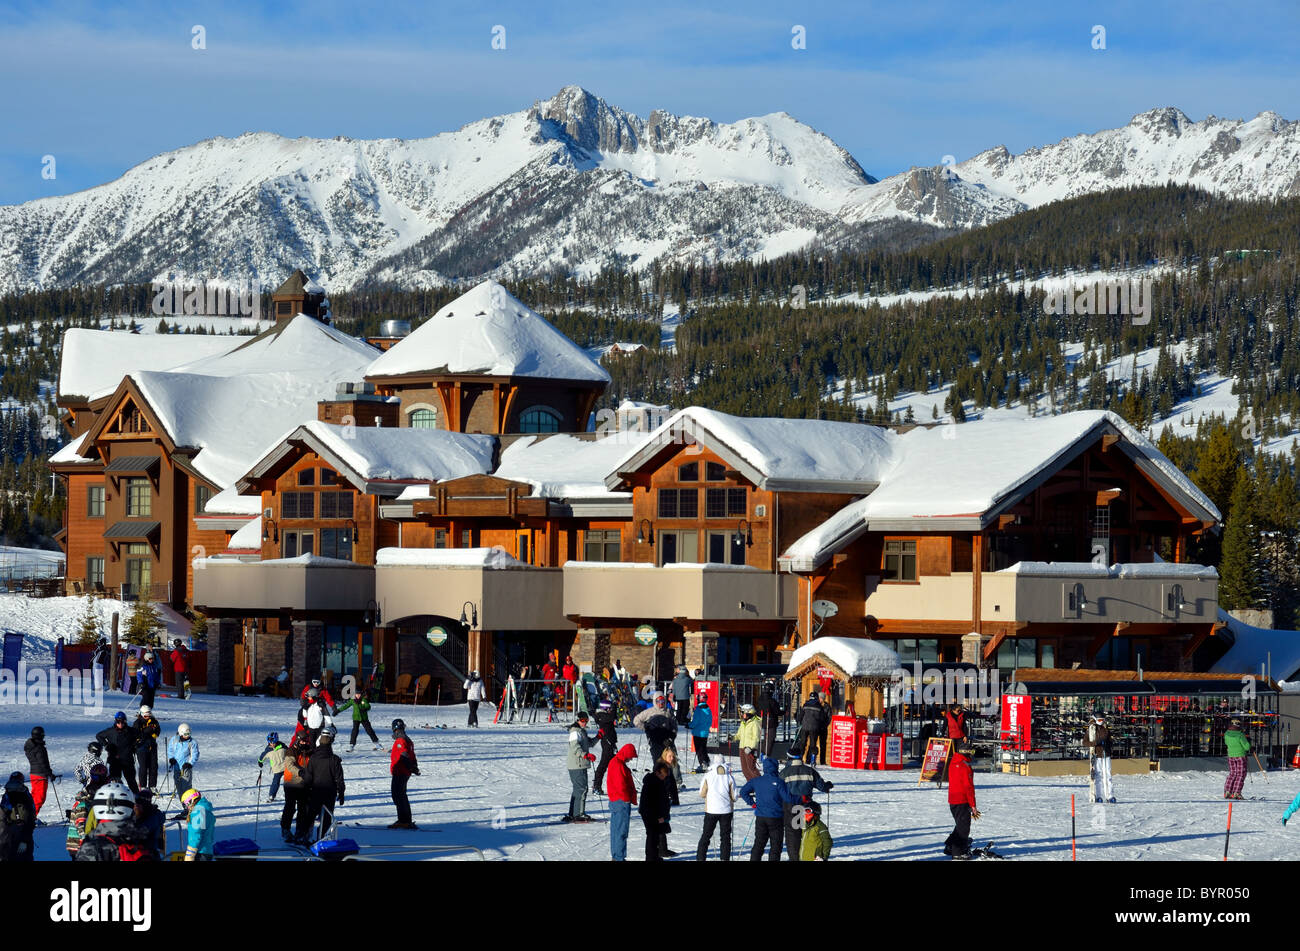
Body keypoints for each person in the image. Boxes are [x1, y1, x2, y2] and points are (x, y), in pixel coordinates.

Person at [738, 756, 796, 862]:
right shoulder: (779, 782)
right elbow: (788, 798)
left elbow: (743, 792)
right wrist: (801, 798)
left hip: (761, 817)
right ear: (776, 767)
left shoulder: (757, 781)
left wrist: (752, 803)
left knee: (759, 844)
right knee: (775, 846)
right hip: (776, 818)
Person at [780, 752, 833, 861]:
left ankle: (794, 858)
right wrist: (828, 785)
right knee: (807, 835)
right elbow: (822, 786)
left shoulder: (784, 772)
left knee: (792, 837)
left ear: (789, 759)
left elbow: (777, 790)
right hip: (806, 809)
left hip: (790, 808)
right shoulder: (810, 771)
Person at [301, 726, 345, 842]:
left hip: (315, 792)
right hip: (328, 794)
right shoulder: (334, 759)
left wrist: (305, 791)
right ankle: (321, 839)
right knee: (326, 818)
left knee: (310, 816)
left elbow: (308, 777)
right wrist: (341, 792)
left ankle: (304, 836)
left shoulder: (314, 758)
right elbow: (339, 778)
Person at [65, 763, 109, 860]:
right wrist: (89, 841)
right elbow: (81, 826)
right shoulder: (83, 804)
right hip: (78, 846)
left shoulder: (89, 799)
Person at [944, 745, 980, 858]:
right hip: (962, 800)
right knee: (963, 827)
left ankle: (950, 845)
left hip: (953, 800)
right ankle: (958, 852)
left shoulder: (954, 762)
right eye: (971, 752)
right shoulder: (965, 767)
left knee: (960, 824)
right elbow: (968, 787)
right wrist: (973, 805)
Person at [696, 762, 737, 861]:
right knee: (726, 837)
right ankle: (724, 858)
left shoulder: (708, 775)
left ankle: (700, 858)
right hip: (726, 811)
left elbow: (701, 793)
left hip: (711, 810)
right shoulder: (729, 777)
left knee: (706, 836)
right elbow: (734, 796)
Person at [563, 711, 599, 822]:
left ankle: (573, 813)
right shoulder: (575, 732)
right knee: (582, 789)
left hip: (579, 764)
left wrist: (598, 737)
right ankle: (578, 814)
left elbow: (589, 744)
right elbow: (575, 748)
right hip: (576, 764)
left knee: (578, 789)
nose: (584, 723)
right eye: (582, 720)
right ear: (578, 720)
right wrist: (586, 755)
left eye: (586, 721)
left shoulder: (581, 731)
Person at [606, 744, 638, 861]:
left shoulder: (615, 762)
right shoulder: (618, 764)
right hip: (621, 802)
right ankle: (619, 857)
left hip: (615, 801)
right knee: (621, 832)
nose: (631, 759)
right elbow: (621, 785)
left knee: (616, 831)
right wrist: (626, 799)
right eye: (631, 757)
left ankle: (616, 856)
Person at [95, 711, 140, 794]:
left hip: (127, 760)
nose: (120, 724)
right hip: (115, 760)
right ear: (115, 721)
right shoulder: (110, 731)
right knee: (115, 781)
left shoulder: (131, 731)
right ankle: (115, 799)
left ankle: (136, 799)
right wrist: (106, 745)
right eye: (118, 722)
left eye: (123, 722)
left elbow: (140, 737)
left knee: (131, 781)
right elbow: (99, 736)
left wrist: (135, 744)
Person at [280, 732, 313, 842]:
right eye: (302, 741)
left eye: (306, 741)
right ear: (298, 740)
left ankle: (300, 830)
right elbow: (289, 765)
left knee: (303, 808)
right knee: (290, 806)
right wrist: (300, 772)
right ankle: (285, 829)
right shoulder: (291, 751)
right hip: (291, 783)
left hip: (304, 783)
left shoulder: (308, 750)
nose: (304, 743)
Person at [638, 761, 674, 861]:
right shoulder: (652, 783)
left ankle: (654, 856)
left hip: (654, 813)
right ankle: (650, 858)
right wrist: (658, 817)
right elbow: (651, 803)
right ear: (657, 773)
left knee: (655, 836)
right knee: (652, 836)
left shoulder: (658, 781)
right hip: (650, 813)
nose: (664, 778)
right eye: (663, 775)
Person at [389, 717, 419, 830]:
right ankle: (404, 819)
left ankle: (404, 820)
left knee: (398, 796)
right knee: (401, 795)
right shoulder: (407, 739)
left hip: (400, 772)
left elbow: (405, 755)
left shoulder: (401, 740)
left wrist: (411, 767)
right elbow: (412, 755)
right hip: (403, 771)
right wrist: (414, 767)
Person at [0, 772, 37, 861]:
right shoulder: (25, 795)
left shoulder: (6, 795)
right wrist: (25, 839)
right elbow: (30, 819)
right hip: (22, 833)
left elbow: (2, 819)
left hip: (7, 835)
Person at [23, 726, 55, 823]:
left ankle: (29, 816)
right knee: (39, 798)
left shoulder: (31, 746)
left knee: (34, 797)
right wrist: (50, 773)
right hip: (40, 774)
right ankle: (31, 818)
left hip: (34, 773)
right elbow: (42, 762)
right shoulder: (39, 748)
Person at [792, 691, 829, 765]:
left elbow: (800, 716)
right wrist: (821, 726)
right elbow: (822, 718)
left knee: (803, 743)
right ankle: (812, 759)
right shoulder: (819, 707)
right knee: (813, 744)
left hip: (804, 727)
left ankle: (800, 758)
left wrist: (799, 720)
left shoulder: (805, 705)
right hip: (814, 728)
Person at [167, 722, 199, 807]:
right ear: (180, 733)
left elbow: (195, 754)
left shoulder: (192, 742)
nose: (187, 736)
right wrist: (171, 759)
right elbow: (170, 750)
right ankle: (185, 807)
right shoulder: (174, 740)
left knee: (186, 788)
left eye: (189, 734)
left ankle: (189, 807)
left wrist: (190, 763)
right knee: (179, 788)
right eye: (185, 734)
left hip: (186, 769)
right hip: (176, 768)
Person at [592, 699, 618, 795]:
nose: (611, 710)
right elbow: (612, 717)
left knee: (617, 765)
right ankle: (596, 786)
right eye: (610, 708)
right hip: (607, 743)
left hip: (611, 743)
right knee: (603, 765)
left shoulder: (604, 715)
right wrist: (615, 706)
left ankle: (619, 785)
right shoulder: (601, 716)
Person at [1088, 714, 1115, 803]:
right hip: (1097, 755)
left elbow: (1110, 740)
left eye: (1102, 719)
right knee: (1098, 775)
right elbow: (1085, 742)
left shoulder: (1105, 728)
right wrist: (1095, 743)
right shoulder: (1092, 729)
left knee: (1108, 775)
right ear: (1095, 719)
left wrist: (1109, 745)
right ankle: (1099, 796)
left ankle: (1110, 796)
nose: (1101, 721)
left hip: (1106, 754)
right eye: (1099, 719)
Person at [133, 704, 161, 792]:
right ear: (141, 714)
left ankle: (152, 786)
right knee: (143, 767)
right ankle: (143, 786)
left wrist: (153, 732)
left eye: (149, 715)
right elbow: (137, 735)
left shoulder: (154, 721)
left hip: (152, 746)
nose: (147, 717)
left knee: (153, 767)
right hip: (141, 747)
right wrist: (147, 731)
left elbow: (157, 732)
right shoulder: (137, 723)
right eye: (145, 715)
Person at [181, 788, 215, 861]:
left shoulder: (198, 812)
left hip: (199, 853)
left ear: (191, 800)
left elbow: (196, 833)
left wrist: (190, 854)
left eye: (186, 804)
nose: (186, 807)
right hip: (207, 851)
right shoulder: (205, 810)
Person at [133, 788, 167, 857]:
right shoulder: (139, 814)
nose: (135, 807)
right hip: (137, 851)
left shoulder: (154, 816)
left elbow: (140, 831)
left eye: (138, 804)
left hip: (148, 853)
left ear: (145, 804)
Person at [1224, 718, 1251, 801]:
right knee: (1240, 774)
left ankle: (1227, 791)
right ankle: (1237, 792)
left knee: (1232, 773)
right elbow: (1247, 747)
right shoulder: (1240, 735)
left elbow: (1226, 743)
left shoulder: (1227, 733)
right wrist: (1248, 742)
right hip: (1240, 756)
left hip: (1231, 756)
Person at [258, 732, 288, 801]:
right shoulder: (268, 750)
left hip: (286, 767)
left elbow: (289, 753)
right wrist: (260, 762)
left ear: (276, 741)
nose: (272, 744)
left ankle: (290, 795)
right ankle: (272, 795)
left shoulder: (283, 747)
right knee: (275, 782)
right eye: (270, 743)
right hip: (277, 769)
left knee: (288, 782)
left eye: (273, 742)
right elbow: (262, 756)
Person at [735, 704, 761, 780]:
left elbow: (756, 737)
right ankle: (751, 785)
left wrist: (751, 747)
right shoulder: (743, 723)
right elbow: (739, 735)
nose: (742, 714)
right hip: (742, 748)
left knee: (751, 768)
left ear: (749, 713)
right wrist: (733, 738)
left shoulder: (755, 723)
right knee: (744, 769)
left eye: (743, 712)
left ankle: (760, 784)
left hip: (750, 749)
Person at [689, 695, 712, 772]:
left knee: (699, 750)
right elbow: (710, 721)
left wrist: (689, 725)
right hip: (705, 733)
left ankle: (702, 764)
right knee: (703, 748)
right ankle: (707, 762)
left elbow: (695, 721)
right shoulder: (708, 709)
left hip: (698, 733)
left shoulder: (698, 709)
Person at [761, 680, 783, 757]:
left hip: (763, 721)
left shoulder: (760, 699)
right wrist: (783, 712)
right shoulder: (771, 701)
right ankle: (766, 754)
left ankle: (763, 753)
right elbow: (777, 711)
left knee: (765, 738)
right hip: (771, 722)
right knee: (770, 739)